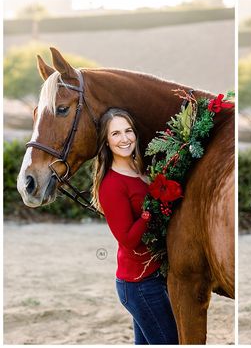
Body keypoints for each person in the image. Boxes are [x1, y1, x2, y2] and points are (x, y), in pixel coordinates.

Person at [91, 108, 178, 345]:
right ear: (106, 142)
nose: (125, 138)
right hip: (139, 285)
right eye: (116, 134)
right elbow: (127, 239)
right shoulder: (111, 184)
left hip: (155, 275)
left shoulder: (141, 170)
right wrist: (148, 215)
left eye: (128, 131)